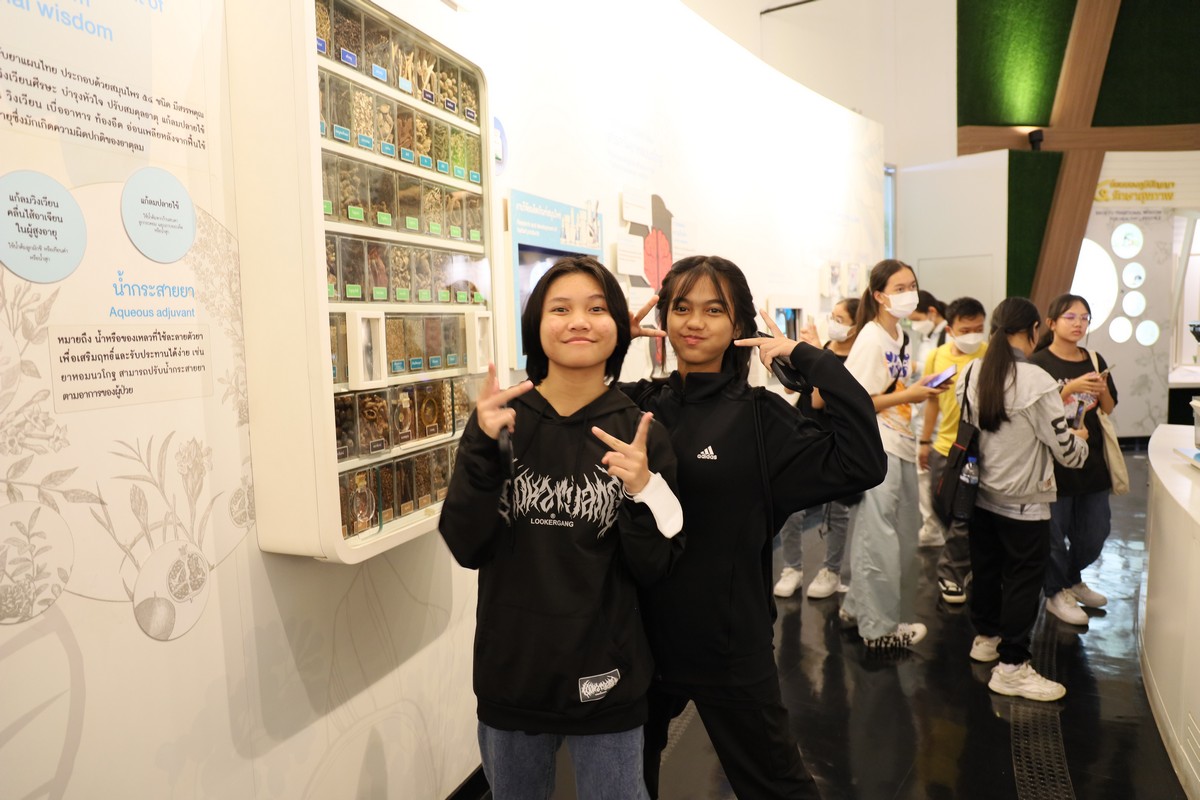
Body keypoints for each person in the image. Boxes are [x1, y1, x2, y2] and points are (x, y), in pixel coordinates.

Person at [622, 255, 885, 799]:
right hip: (638, 642)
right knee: (626, 787)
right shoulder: (640, 405)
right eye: (682, 308)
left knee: (777, 787)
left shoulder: (762, 418)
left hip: (728, 643)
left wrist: (808, 358)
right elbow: (554, 409)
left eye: (714, 310)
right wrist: (610, 345)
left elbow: (863, 462)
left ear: (739, 324)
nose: (695, 322)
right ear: (665, 318)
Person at [438, 256, 685, 800]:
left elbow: (657, 566)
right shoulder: (503, 423)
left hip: (608, 676)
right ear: (537, 324)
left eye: (596, 309)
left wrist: (642, 490)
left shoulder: (640, 434)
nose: (579, 321)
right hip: (512, 673)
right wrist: (480, 448)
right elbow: (466, 544)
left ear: (617, 326)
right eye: (561, 309)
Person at [957, 297, 1088, 701]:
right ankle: (1012, 668)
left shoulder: (973, 371)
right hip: (1025, 504)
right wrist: (1080, 439)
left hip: (980, 496)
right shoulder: (1036, 381)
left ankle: (986, 639)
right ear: (1034, 330)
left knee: (987, 572)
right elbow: (1067, 453)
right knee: (1022, 582)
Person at [839, 259, 947, 649]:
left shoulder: (899, 335)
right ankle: (879, 629)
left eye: (912, 286)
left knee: (892, 534)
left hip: (899, 440)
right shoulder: (871, 338)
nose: (909, 294)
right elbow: (857, 400)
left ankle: (857, 608)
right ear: (880, 296)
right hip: (877, 445)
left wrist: (919, 385)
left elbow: (891, 385)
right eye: (900, 288)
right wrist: (912, 395)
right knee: (880, 537)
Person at [1029, 293, 1118, 627]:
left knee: (1095, 533)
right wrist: (1069, 388)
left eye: (1084, 318)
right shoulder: (1038, 363)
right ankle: (1056, 593)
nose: (1079, 323)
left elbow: (1108, 407)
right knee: (1052, 535)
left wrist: (1100, 388)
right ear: (1051, 323)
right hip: (1053, 463)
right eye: (1070, 317)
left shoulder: (1093, 358)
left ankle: (1070, 578)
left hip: (1091, 461)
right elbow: (1033, 409)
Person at [773, 297, 861, 600]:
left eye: (840, 319)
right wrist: (799, 357)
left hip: (835, 438)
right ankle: (792, 568)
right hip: (803, 433)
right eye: (832, 316)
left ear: (855, 326)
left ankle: (831, 571)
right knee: (791, 506)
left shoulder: (856, 357)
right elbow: (792, 387)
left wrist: (819, 357)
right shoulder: (820, 350)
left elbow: (819, 400)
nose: (832, 323)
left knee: (836, 510)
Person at [919, 296, 988, 604]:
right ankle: (969, 557)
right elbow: (932, 402)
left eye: (978, 328)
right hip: (944, 445)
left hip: (976, 447)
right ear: (951, 330)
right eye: (966, 329)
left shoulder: (989, 355)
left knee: (962, 514)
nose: (973, 335)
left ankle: (951, 573)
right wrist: (924, 441)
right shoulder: (937, 357)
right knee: (940, 505)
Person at [909, 289, 949, 548]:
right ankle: (932, 527)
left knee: (933, 476)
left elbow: (942, 375)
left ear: (931, 312)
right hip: (924, 416)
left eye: (916, 318)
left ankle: (936, 528)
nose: (913, 324)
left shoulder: (946, 337)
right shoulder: (928, 337)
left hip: (940, 417)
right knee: (925, 476)